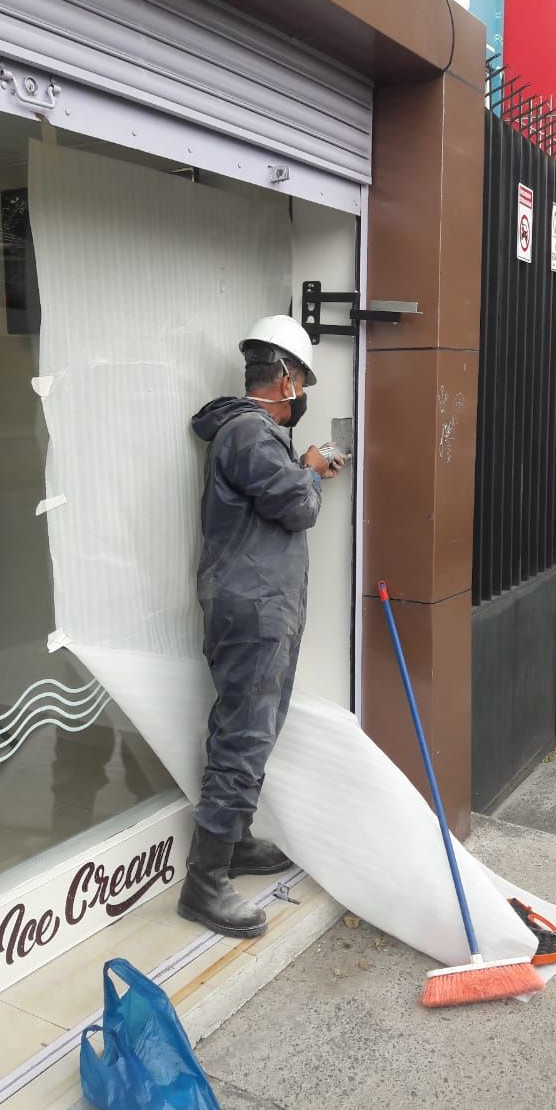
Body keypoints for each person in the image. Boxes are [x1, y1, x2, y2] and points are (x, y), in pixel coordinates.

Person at [178, 315, 344, 938]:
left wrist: (300, 466)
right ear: (284, 377)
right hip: (253, 608)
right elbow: (297, 506)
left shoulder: (255, 436)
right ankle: (205, 882)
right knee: (245, 735)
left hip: (259, 604)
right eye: (302, 381)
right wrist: (310, 470)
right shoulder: (250, 432)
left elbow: (275, 495)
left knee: (247, 728)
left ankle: (235, 840)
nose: (303, 394)